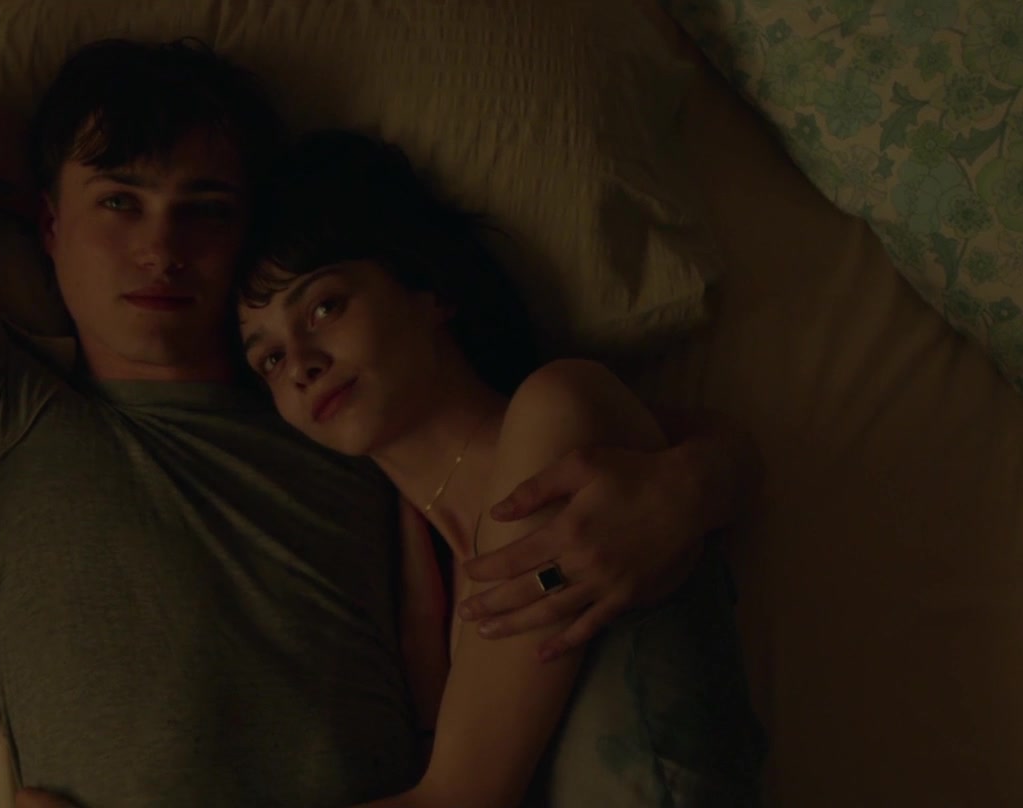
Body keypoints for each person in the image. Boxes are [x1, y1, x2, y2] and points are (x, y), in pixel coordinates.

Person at [0, 26, 760, 807]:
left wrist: (686, 490)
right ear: (48, 225)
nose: (160, 247)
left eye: (205, 209)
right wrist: (81, 159)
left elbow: (657, 437)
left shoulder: (342, 411)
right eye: (120, 204)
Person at [226, 130, 766, 807]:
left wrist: (702, 479)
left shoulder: (558, 410)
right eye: (270, 358)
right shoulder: (399, 559)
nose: (302, 364)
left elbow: (458, 798)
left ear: (430, 291)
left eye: (325, 306)